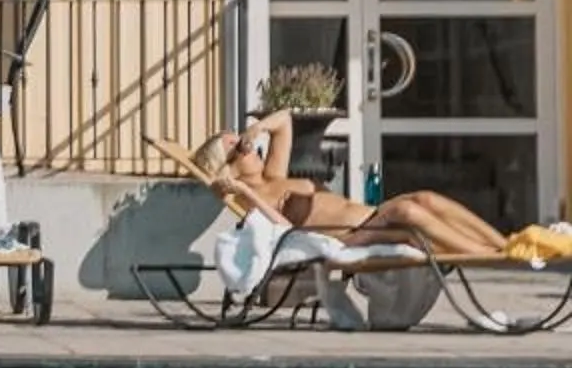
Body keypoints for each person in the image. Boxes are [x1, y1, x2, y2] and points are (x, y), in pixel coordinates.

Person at [197, 112, 510, 254]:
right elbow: (283, 231)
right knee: (409, 212)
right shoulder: (252, 196)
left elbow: (285, 121)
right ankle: (486, 257)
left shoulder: (273, 176)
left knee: (424, 198)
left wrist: (258, 128)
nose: (248, 145)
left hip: (368, 216)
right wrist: (246, 191)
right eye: (238, 146)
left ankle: (505, 244)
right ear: (231, 167)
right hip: (347, 236)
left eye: (243, 139)